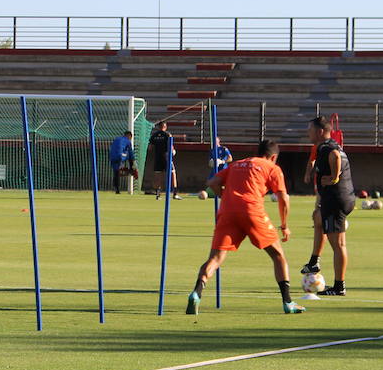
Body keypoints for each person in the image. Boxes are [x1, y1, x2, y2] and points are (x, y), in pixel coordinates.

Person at [187, 138, 304, 315]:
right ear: (273, 157)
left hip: (227, 212)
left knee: (216, 258)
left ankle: (196, 293)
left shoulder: (237, 164)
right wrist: (284, 225)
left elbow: (212, 183)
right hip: (252, 211)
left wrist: (226, 196)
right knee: (278, 255)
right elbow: (284, 198)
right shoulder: (272, 168)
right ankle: (288, 302)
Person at [301, 115, 355, 294]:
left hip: (336, 199)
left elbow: (335, 156)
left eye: (310, 130)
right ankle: (314, 261)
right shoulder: (325, 146)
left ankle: (339, 286)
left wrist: (334, 176)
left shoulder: (327, 147)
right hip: (338, 198)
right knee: (317, 219)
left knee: (338, 244)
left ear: (319, 131)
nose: (308, 133)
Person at [148, 121, 181, 199]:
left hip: (158, 158)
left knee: (158, 177)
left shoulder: (154, 135)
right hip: (167, 158)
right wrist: (172, 152)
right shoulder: (168, 135)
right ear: (165, 127)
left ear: (158, 127)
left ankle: (158, 195)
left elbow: (150, 148)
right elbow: (171, 147)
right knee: (173, 174)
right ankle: (175, 194)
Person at [108, 130, 135, 194]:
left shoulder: (117, 139)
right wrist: (133, 163)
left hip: (112, 156)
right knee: (130, 155)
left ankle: (117, 189)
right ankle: (131, 169)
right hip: (120, 156)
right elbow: (131, 153)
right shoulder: (128, 141)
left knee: (116, 172)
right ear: (129, 136)